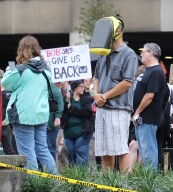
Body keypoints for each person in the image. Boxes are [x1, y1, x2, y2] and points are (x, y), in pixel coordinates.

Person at [2, 35, 57, 173]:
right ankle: (55, 184)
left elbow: (5, 83)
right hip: (41, 115)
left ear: (22, 50)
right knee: (42, 150)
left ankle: (34, 186)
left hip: (23, 115)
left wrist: (9, 71)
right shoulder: (47, 71)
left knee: (27, 152)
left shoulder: (21, 70)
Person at [93, 17, 138, 172]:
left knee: (120, 149)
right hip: (102, 108)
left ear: (118, 30)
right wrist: (95, 94)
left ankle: (124, 187)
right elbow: (96, 76)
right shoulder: (103, 53)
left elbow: (127, 82)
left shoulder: (129, 54)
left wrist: (103, 96)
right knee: (104, 150)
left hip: (118, 108)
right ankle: (108, 186)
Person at [132, 43, 166, 170]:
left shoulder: (156, 72)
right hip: (142, 119)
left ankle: (150, 183)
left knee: (149, 152)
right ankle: (147, 180)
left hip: (147, 118)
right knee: (144, 151)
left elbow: (149, 95)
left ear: (151, 53)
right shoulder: (147, 70)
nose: (141, 54)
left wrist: (137, 112)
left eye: (143, 51)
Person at [62, 80, 94, 167]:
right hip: (68, 133)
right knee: (71, 153)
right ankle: (73, 176)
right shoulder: (68, 99)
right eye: (81, 86)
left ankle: (82, 176)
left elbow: (88, 112)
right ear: (75, 88)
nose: (83, 88)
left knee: (81, 152)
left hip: (82, 132)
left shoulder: (85, 99)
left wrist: (72, 108)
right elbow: (62, 112)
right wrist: (66, 101)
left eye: (83, 86)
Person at [46, 81, 64, 161]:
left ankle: (51, 171)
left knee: (51, 148)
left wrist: (57, 117)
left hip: (50, 123)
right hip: (39, 121)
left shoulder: (52, 88)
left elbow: (60, 102)